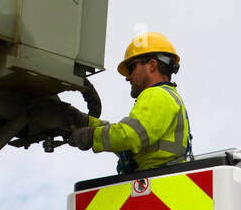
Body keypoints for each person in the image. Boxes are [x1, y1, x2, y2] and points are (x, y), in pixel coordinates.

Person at [68, 31, 191, 173]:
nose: (128, 77)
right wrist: (87, 122)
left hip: (158, 180)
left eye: (132, 68)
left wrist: (92, 135)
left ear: (152, 65)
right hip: (156, 179)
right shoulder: (166, 96)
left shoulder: (157, 94)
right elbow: (127, 145)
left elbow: (130, 135)